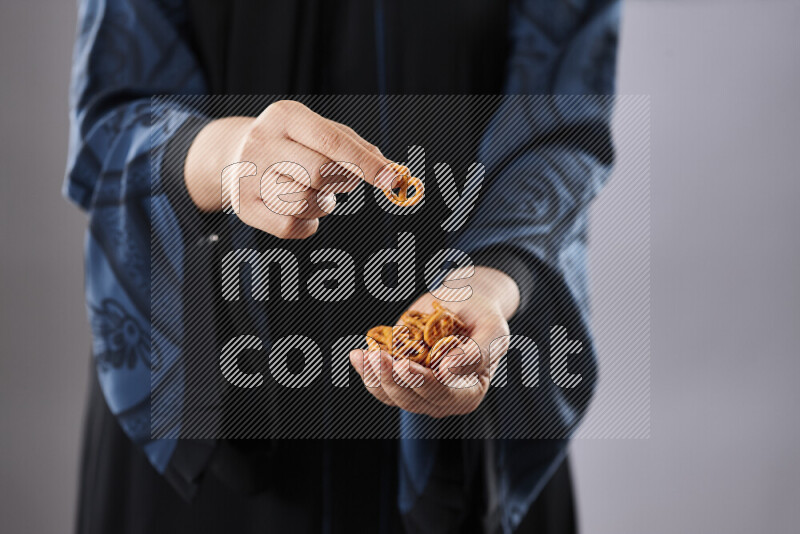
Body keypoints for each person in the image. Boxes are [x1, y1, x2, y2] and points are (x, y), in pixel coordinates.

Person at [65, 0, 620, 532]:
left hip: (469, 404)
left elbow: (563, 116)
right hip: (208, 399)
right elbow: (112, 115)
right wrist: (229, 157)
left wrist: (493, 282)